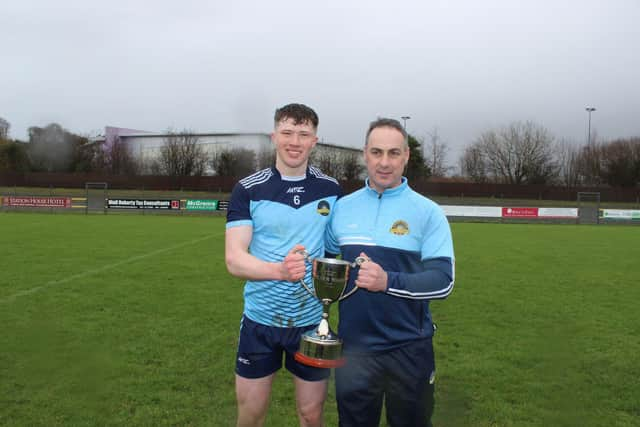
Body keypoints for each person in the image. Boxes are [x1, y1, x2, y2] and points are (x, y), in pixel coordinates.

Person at [326, 118, 455, 427]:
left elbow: (443, 281)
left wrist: (387, 281)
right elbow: (327, 266)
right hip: (354, 350)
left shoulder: (428, 213)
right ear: (364, 154)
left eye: (393, 153)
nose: (385, 163)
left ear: (406, 156)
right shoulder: (342, 209)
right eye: (377, 152)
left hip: (409, 349)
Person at [225, 103, 341, 427]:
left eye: (303, 134)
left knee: (311, 415)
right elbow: (234, 259)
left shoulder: (330, 190)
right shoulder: (248, 189)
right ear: (274, 136)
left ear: (315, 141)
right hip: (260, 323)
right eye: (288, 132)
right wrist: (279, 271)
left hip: (310, 323)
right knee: (251, 415)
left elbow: (334, 253)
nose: (295, 141)